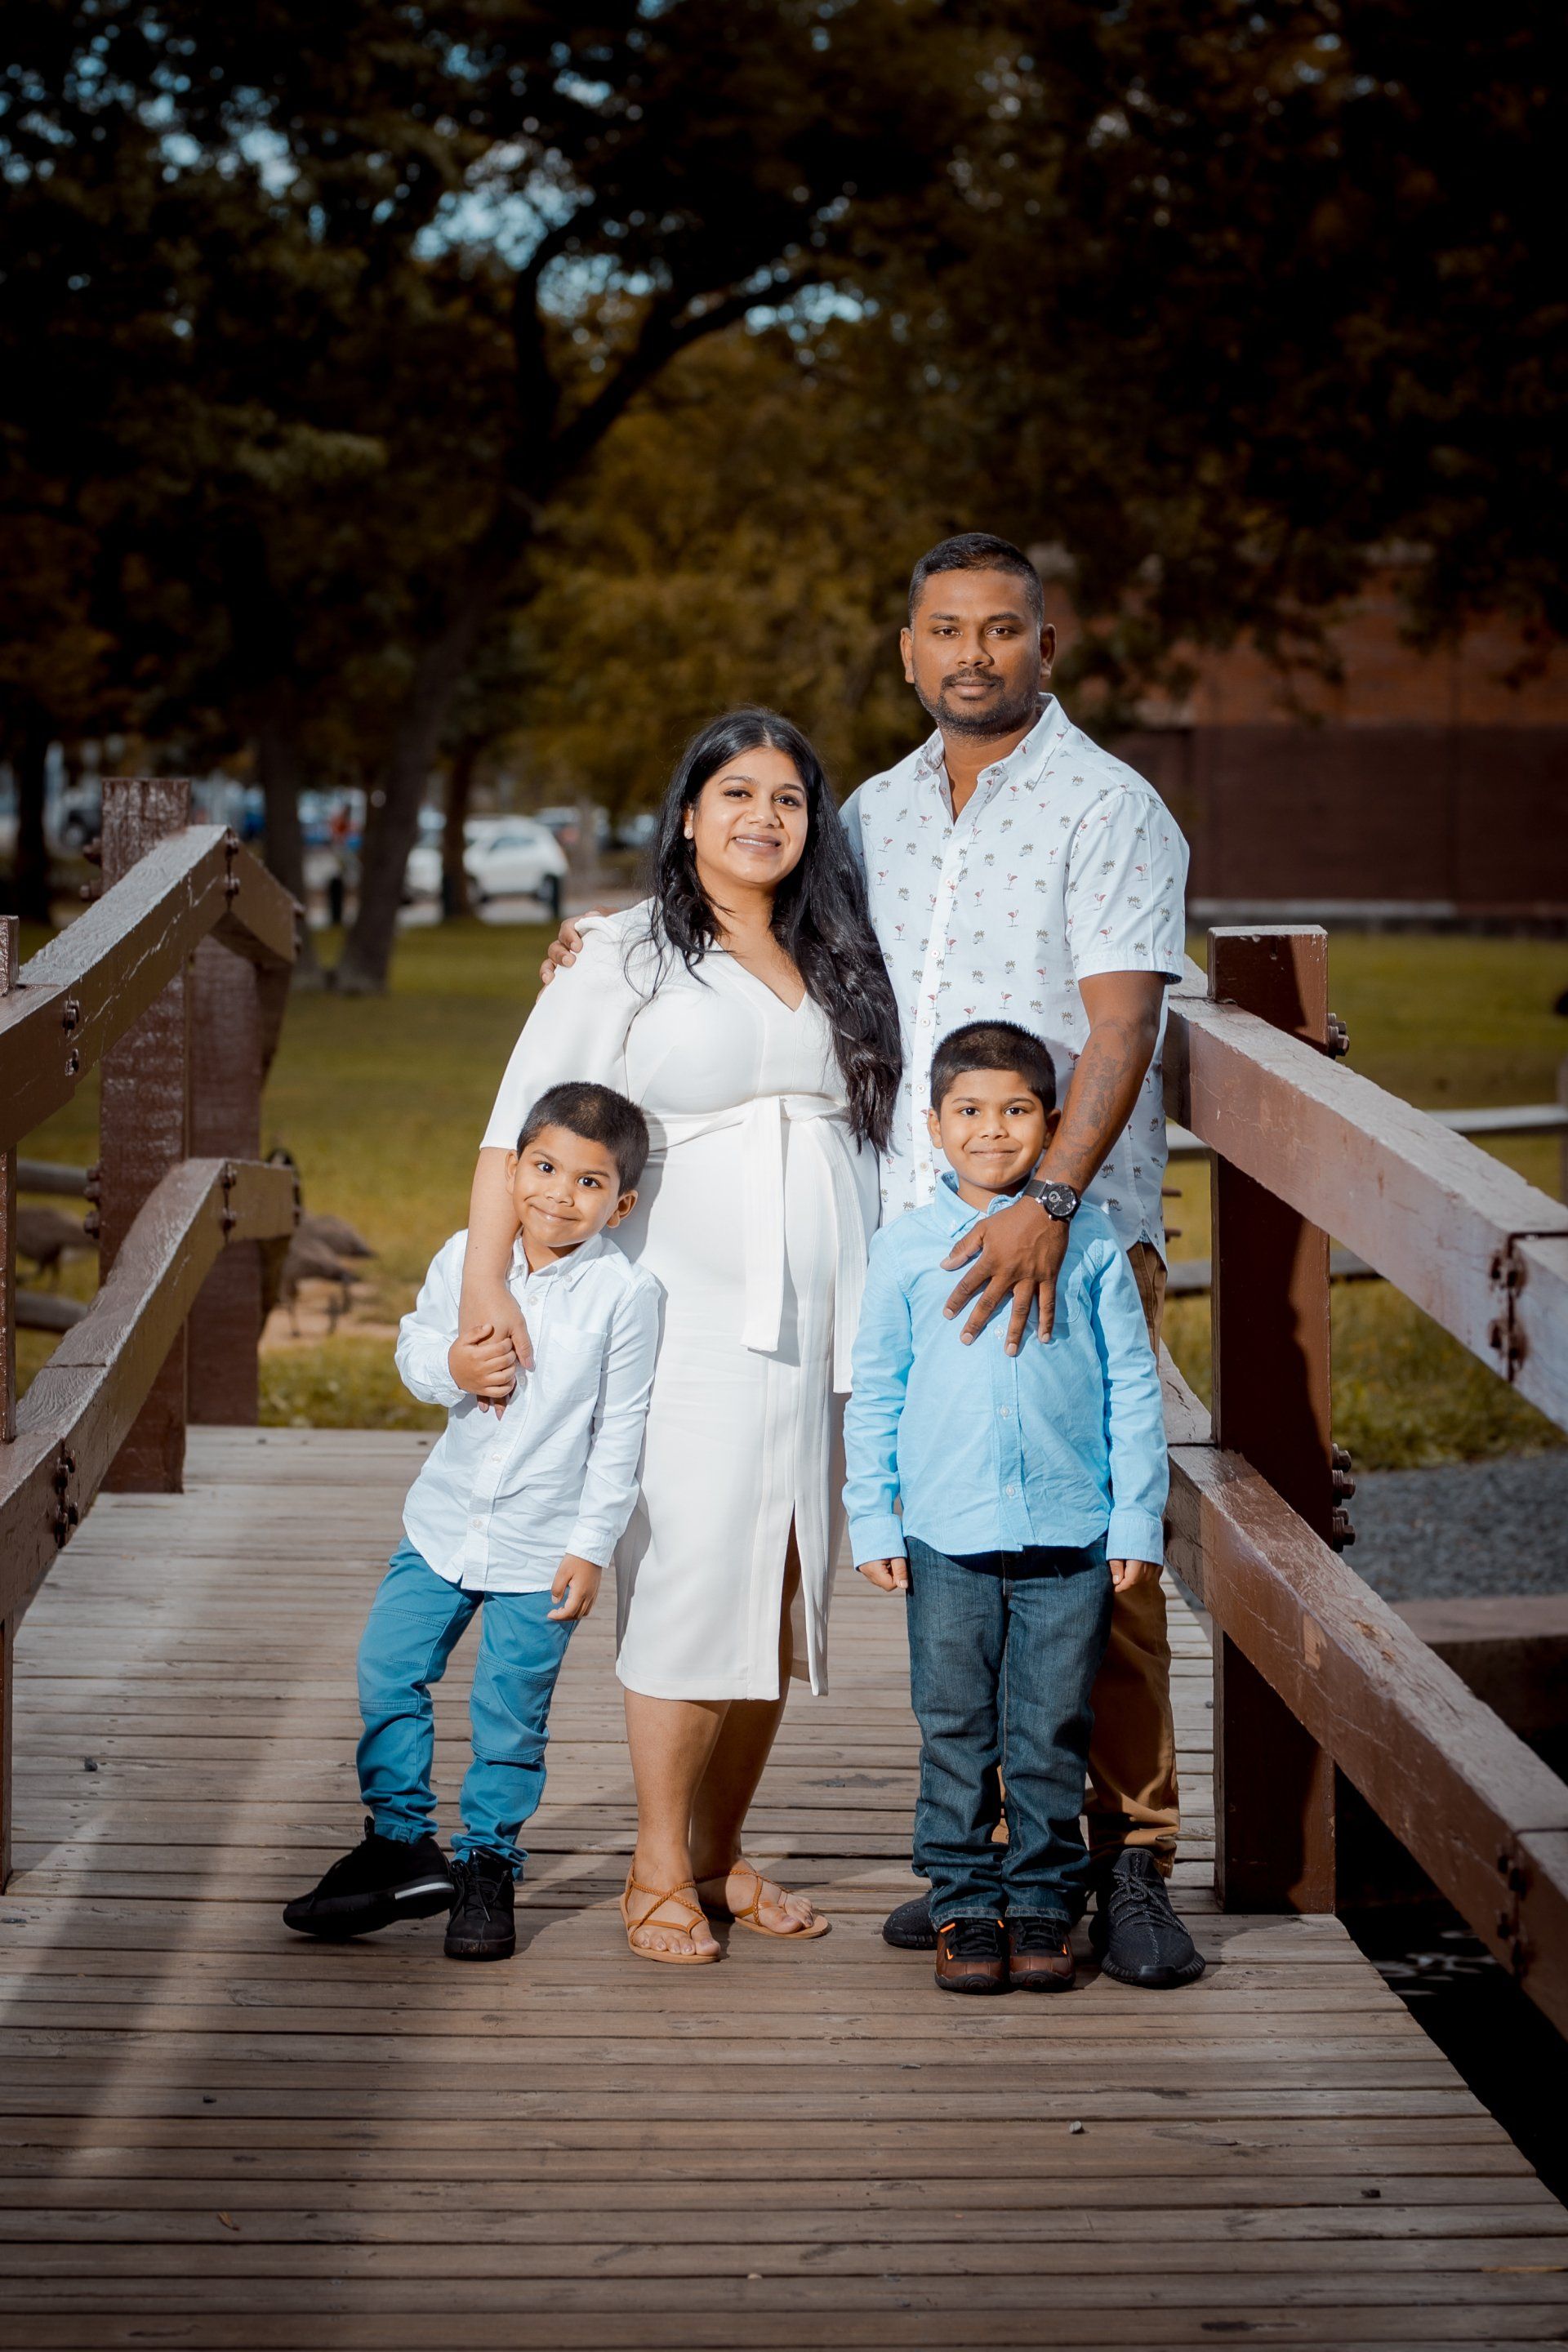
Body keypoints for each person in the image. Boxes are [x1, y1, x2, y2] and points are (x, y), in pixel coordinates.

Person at [541, 534, 1201, 1989]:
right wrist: (606, 940)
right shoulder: (876, 818)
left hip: (1058, 1233)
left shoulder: (1113, 808)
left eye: (1004, 630)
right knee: (965, 1559)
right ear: (908, 653)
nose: (974, 653)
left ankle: (1132, 1860)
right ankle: (979, 1867)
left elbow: (1119, 1026)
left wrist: (1051, 1200)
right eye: (946, 631)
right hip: (910, 1246)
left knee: (1097, 1559)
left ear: (1046, 645)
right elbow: (748, 906)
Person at [456, 709, 902, 1963]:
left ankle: (719, 1852)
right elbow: (513, 1130)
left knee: (782, 1582)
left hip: (825, 1322)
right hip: (688, 1320)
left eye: (791, 799)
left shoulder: (842, 952)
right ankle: (653, 1864)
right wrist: (487, 1285)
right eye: (738, 792)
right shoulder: (622, 954)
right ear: (690, 814)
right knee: (694, 1569)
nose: (764, 816)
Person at [282, 1081, 660, 1964]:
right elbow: (415, 1347)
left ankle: (488, 1864)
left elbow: (621, 1434)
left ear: (623, 1203)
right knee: (388, 1669)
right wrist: (453, 1363)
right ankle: (400, 1841)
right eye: (543, 1167)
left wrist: (589, 1547)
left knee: (510, 1715)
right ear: (513, 1170)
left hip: (543, 1546)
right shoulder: (467, 1256)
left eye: (589, 1183)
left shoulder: (625, 1296)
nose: (559, 1195)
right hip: (442, 1526)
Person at [844, 1022, 1167, 1993]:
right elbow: (878, 1392)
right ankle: (960, 1904)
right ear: (934, 1128)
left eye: (1017, 1111)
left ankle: (1040, 1904)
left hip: (1071, 1533)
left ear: (1053, 1121)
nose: (993, 1131)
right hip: (945, 1534)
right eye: (971, 1113)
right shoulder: (903, 1250)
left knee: (1048, 1727)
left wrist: (1136, 1519)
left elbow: (1133, 1394)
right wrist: (873, 1517)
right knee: (954, 1726)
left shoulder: (1095, 1241)